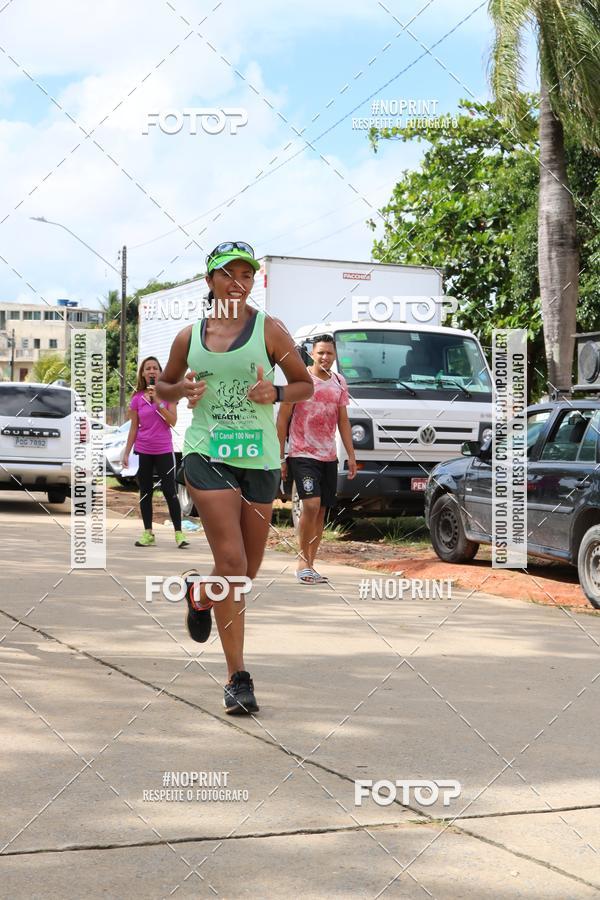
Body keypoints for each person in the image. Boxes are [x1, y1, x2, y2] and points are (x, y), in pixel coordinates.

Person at [157, 241, 313, 715]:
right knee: (229, 559)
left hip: (260, 457)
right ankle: (237, 677)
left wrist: (277, 391)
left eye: (246, 274)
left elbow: (305, 384)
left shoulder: (271, 330)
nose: (237, 282)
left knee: (243, 574)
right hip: (208, 451)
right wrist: (180, 388)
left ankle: (200, 594)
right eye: (228, 273)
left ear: (253, 282)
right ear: (210, 281)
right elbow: (162, 384)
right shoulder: (189, 336)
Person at [277, 334, 357, 584]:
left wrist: (351, 455)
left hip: (328, 456)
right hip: (301, 454)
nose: (325, 357)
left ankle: (310, 564)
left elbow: (343, 420)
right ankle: (302, 560)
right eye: (320, 352)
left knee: (321, 511)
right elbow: (282, 418)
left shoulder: (339, 382)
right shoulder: (300, 381)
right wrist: (280, 455)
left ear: (335, 356)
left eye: (329, 353)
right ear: (312, 354)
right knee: (310, 505)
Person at [121, 356, 189, 549]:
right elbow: (134, 427)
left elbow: (172, 422)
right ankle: (148, 533)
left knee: (170, 491)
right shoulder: (136, 399)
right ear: (142, 373)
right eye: (148, 368)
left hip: (164, 450)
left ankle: (179, 534)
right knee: (145, 493)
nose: (151, 371)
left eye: (155, 368)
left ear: (160, 372)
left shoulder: (169, 395)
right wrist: (126, 453)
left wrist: (158, 401)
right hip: (144, 450)